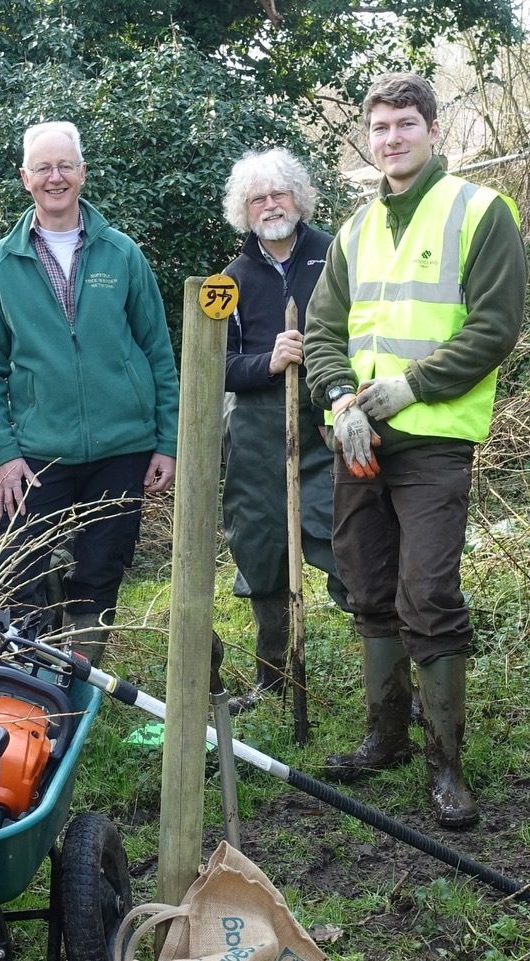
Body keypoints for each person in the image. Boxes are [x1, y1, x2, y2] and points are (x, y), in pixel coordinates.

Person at [305, 73, 526, 827]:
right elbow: (325, 331)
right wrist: (339, 400)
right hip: (359, 438)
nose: (391, 138)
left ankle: (447, 764)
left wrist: (412, 387)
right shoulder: (354, 229)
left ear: (432, 130)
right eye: (380, 128)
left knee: (427, 593)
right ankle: (384, 737)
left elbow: (494, 326)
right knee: (366, 584)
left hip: (432, 438)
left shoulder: (481, 212)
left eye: (405, 124)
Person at [0, 121, 180, 661]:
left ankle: (82, 678)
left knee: (102, 565)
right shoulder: (1, 263)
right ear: (25, 178)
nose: (54, 177)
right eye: (43, 167)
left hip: (122, 446)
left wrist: (167, 441)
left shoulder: (122, 254)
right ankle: (28, 678)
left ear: (82, 174)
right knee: (18, 564)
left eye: (65, 166)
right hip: (38, 450)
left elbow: (157, 351)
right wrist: (3, 454)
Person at [220, 148, 348, 715]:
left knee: (351, 544)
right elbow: (213, 364)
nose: (270, 205)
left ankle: (393, 683)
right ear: (243, 211)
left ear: (299, 196)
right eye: (258, 198)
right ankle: (273, 675)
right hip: (256, 433)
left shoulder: (337, 254)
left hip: (328, 424)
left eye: (279, 193)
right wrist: (264, 363)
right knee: (262, 547)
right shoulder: (228, 281)